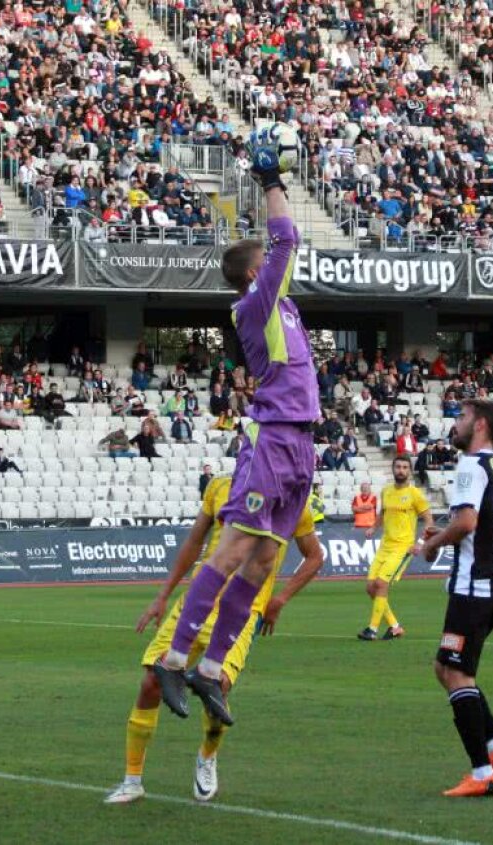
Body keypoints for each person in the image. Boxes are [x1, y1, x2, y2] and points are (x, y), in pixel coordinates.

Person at [153, 134, 318, 728]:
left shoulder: (284, 307)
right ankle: (175, 658)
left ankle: (210, 667)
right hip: (272, 436)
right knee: (233, 551)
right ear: (256, 272)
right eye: (270, 263)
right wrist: (270, 180)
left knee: (263, 560)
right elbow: (286, 237)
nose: (281, 266)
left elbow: (286, 248)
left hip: (301, 441)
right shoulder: (253, 305)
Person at [105, 474, 325, 805]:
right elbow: (194, 542)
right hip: (197, 600)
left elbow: (315, 556)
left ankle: (207, 758)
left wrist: (279, 600)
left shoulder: (293, 500)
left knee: (217, 688)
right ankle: (132, 779)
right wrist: (163, 595)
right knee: (152, 680)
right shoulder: (220, 486)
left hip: (243, 610)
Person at [420, 399, 493, 797]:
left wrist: (434, 546)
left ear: (479, 425)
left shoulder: (470, 465)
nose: (454, 424)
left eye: (460, 417)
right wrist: (444, 533)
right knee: (446, 667)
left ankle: (481, 773)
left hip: (475, 586)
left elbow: (466, 523)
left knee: (456, 672)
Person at [358, 456, 433, 641]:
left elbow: (429, 520)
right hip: (385, 546)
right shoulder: (386, 491)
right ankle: (395, 626)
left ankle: (372, 629)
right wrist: (374, 527)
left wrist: (420, 544)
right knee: (370, 588)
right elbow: (383, 513)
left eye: (405, 467)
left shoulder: (414, 494)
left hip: (403, 547)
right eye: (398, 466)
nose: (401, 470)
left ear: (410, 471)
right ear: (393, 469)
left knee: (381, 584)